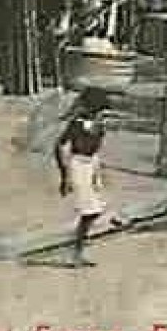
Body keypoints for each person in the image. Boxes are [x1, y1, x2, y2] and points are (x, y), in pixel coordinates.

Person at [55, 90, 115, 267]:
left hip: (91, 165)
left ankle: (77, 249)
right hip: (78, 165)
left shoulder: (98, 125)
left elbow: (95, 149)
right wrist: (64, 174)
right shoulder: (78, 124)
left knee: (93, 210)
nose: (103, 116)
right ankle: (75, 251)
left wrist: (98, 172)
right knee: (90, 210)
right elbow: (59, 146)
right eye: (101, 112)